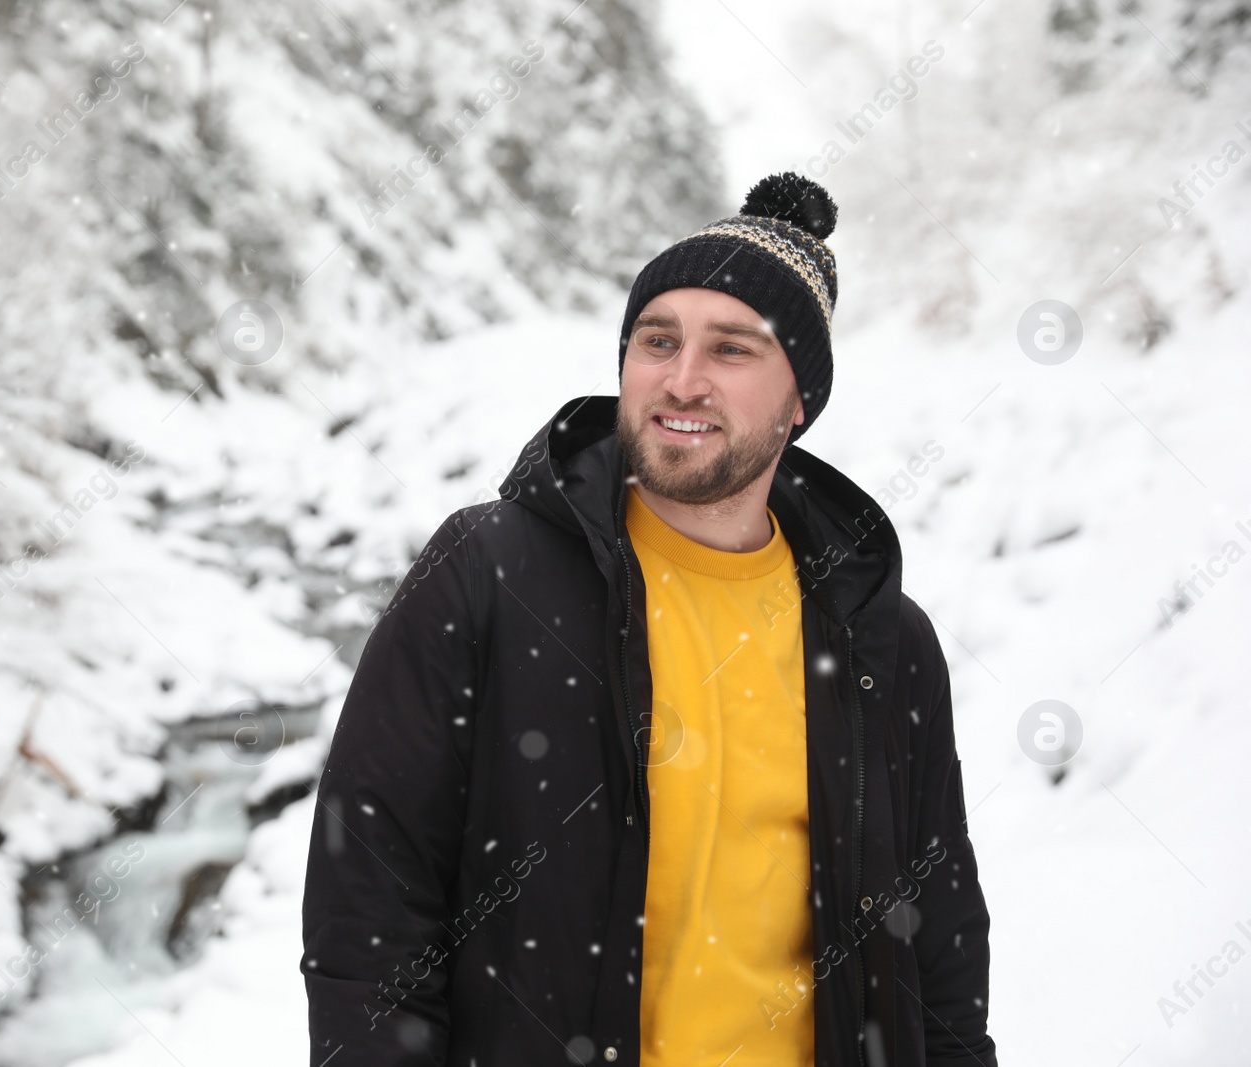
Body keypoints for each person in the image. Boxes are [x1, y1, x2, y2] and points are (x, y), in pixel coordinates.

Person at [301, 172, 996, 1067]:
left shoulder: (881, 635)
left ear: (799, 401)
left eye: (733, 349)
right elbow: (371, 897)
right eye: (657, 340)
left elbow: (939, 937)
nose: (683, 379)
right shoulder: (488, 572)